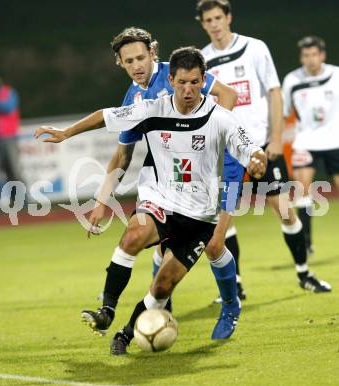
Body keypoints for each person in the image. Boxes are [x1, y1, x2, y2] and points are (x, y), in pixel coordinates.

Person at [35, 46, 267, 354]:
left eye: (195, 82)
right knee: (133, 234)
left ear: (203, 81)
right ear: (170, 79)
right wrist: (66, 133)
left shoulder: (220, 118)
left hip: (199, 215)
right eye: (182, 82)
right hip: (161, 200)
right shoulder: (151, 108)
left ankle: (141, 329)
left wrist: (257, 160)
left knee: (163, 285)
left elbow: (250, 147)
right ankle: (107, 310)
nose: (188, 89)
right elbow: (105, 116)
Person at [86, 26, 245, 336]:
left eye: (141, 57)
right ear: (120, 62)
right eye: (129, 60)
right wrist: (102, 201)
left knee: (215, 245)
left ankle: (230, 305)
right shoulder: (134, 96)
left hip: (210, 168)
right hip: (169, 179)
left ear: (153, 54)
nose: (137, 66)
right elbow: (123, 155)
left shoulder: (176, 73)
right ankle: (139, 307)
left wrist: (205, 132)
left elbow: (228, 95)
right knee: (150, 239)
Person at [196, 0, 331, 298]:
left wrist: (276, 139)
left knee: (284, 212)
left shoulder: (255, 48)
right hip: (227, 152)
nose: (215, 24)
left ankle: (304, 274)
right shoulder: (202, 60)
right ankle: (236, 286)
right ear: (203, 24)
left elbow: (274, 91)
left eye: (219, 17)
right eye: (209, 20)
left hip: (260, 145)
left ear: (228, 17)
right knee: (224, 219)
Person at [282, 36, 339, 256]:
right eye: (306, 55)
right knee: (302, 190)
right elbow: (285, 112)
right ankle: (305, 244)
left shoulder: (336, 75)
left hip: (335, 140)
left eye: (314, 54)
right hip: (305, 141)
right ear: (301, 57)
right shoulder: (292, 80)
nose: (311, 59)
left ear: (322, 55)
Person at [0, 75, 21, 212]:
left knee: (14, 171)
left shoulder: (9, 92)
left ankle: (21, 204)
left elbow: (8, 107)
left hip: (9, 138)